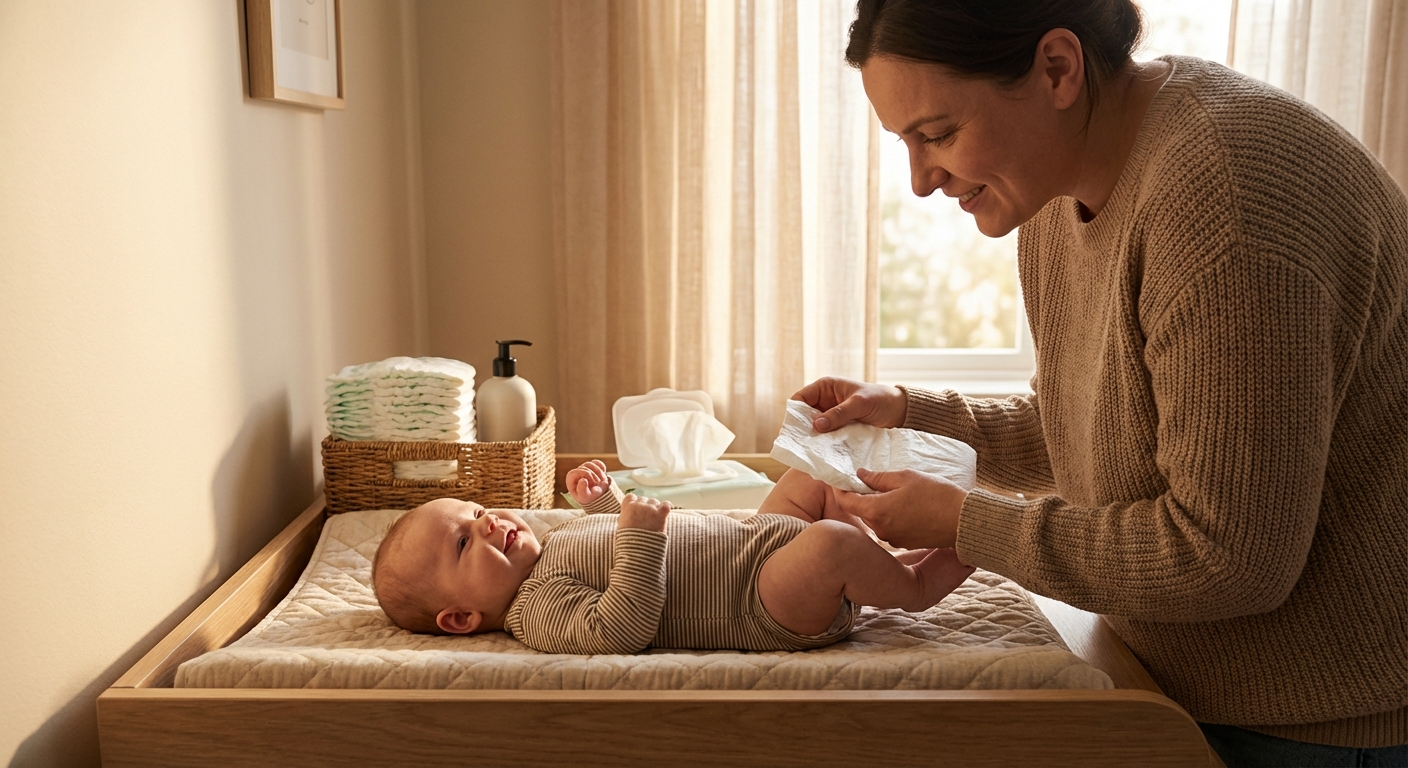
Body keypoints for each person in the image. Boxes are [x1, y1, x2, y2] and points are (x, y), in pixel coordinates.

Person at [806, 1, 1408, 765]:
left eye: (939, 134)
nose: (922, 180)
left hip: (1318, 722)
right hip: (1166, 685)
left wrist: (968, 523)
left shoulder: (1227, 198)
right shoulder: (1060, 192)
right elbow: (1100, 424)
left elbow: (1229, 558)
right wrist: (908, 413)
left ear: (1057, 68)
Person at [370, 459, 973, 654]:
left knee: (806, 483)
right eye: (463, 543)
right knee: (830, 546)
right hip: (762, 601)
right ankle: (916, 584)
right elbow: (622, 627)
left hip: (757, 540)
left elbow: (612, 537)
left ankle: (889, 552)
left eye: (478, 514)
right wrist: (638, 534)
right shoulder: (534, 612)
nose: (489, 525)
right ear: (460, 617)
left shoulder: (550, 546)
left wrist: (603, 501)